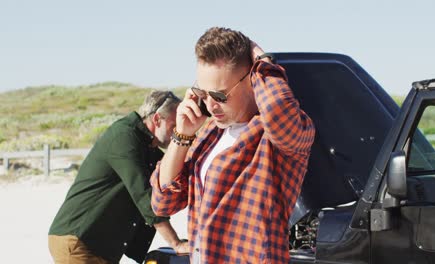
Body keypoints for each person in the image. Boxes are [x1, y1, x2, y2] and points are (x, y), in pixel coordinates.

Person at [150, 27, 315, 263]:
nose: (210, 104)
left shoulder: (275, 138)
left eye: (219, 96)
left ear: (251, 81)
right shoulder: (209, 134)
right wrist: (182, 135)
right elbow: (163, 201)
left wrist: (262, 60)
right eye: (202, 93)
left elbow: (279, 113)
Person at [48, 90, 189, 264]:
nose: (177, 132)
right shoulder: (124, 137)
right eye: (174, 125)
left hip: (101, 247)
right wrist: (175, 243)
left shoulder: (149, 148)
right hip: (79, 240)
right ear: (157, 119)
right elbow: (143, 194)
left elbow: (176, 177)